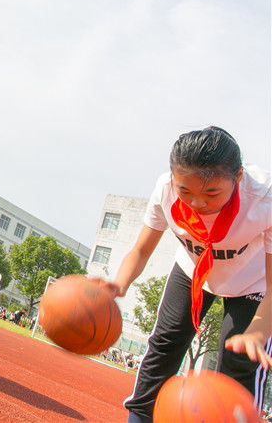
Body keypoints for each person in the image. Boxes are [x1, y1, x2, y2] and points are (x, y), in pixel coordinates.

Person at [99, 127, 272, 423]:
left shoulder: (264, 200)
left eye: (212, 193)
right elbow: (140, 250)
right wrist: (119, 283)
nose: (197, 203)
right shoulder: (165, 190)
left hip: (252, 283)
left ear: (238, 177)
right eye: (186, 191)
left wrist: (258, 332)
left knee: (241, 360)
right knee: (165, 343)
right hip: (193, 270)